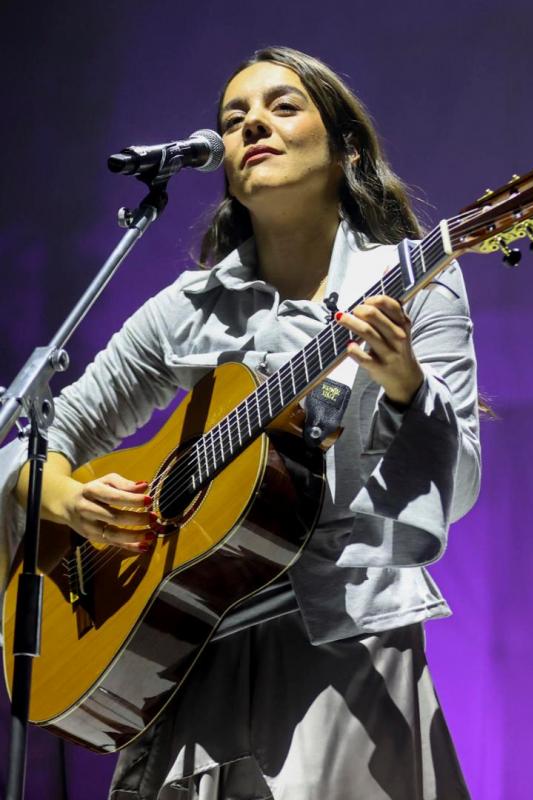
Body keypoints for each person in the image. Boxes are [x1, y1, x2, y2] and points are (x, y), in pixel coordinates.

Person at [0, 47, 479, 799]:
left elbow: (459, 485)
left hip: (342, 647)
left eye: (283, 106)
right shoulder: (187, 309)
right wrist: (66, 500)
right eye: (234, 119)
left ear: (347, 149)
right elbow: (41, 438)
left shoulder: (417, 282)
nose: (253, 123)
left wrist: (405, 387)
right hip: (191, 652)